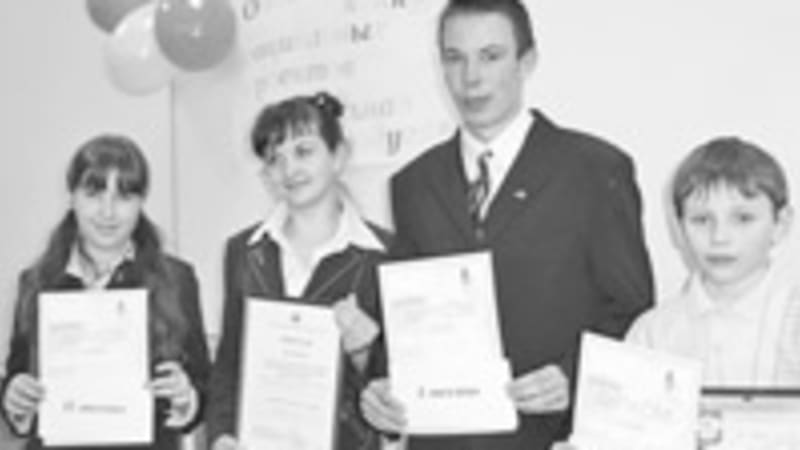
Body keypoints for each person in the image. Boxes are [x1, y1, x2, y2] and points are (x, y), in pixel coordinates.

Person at [359, 0, 654, 449]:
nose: (471, 78)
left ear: (527, 62)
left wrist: (574, 376)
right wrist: (382, 390)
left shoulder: (594, 170)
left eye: (490, 56)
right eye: (455, 58)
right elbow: (405, 317)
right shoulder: (414, 184)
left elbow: (632, 311)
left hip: (551, 438)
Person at [0, 134, 210, 450]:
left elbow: (204, 385)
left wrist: (186, 397)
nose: (107, 212)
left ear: (141, 203)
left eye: (124, 196)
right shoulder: (36, 283)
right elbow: (18, 379)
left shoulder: (177, 279)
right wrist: (14, 398)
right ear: (72, 197)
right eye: (94, 194)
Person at [206, 92, 391, 450]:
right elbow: (228, 364)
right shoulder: (243, 251)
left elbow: (397, 386)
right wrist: (222, 435)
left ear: (339, 156)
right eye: (275, 159)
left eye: (304, 152)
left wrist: (364, 353)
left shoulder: (384, 255)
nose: (289, 170)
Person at [627, 136, 800, 386]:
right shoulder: (652, 334)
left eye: (743, 218)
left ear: (781, 224)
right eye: (702, 220)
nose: (719, 237)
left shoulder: (793, 321)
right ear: (678, 229)